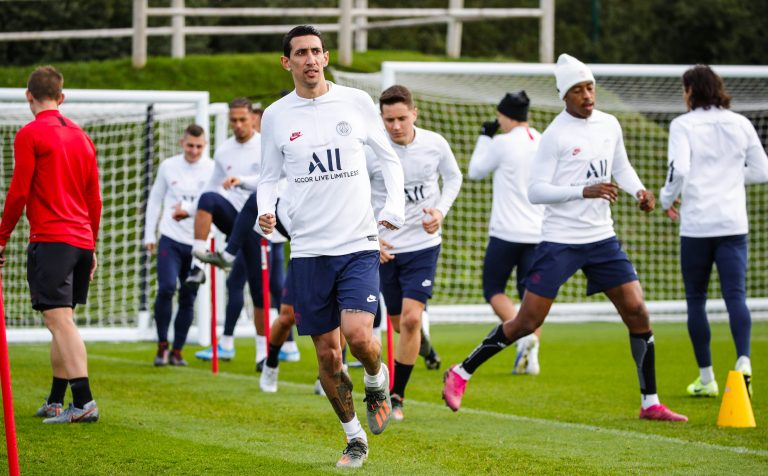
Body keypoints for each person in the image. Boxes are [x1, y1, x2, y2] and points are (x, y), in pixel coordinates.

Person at [442, 54, 688, 422]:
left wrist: (639, 191)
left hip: (602, 239)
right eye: (578, 90)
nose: (587, 95)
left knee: (638, 311)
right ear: (564, 96)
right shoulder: (554, 135)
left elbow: (621, 166)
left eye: (590, 87)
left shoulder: (609, 124)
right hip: (560, 241)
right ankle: (461, 371)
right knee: (526, 322)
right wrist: (583, 191)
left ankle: (650, 402)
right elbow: (536, 190)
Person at [256, 25, 405, 468]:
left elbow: (389, 158)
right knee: (327, 354)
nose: (310, 59)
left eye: (316, 51)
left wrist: (393, 210)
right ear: (286, 62)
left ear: (325, 57)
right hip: (307, 251)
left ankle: (376, 378)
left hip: (357, 242)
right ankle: (354, 437)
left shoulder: (356, 102)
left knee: (359, 336)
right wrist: (265, 211)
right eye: (301, 53)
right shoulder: (276, 116)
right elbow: (268, 177)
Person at [660, 65, 768, 398]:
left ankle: (706, 378)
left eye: (684, 90)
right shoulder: (741, 123)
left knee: (696, 299)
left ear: (691, 91)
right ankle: (744, 362)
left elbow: (680, 170)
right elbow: (763, 171)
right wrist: (731, 177)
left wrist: (666, 198)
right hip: (733, 223)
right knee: (736, 296)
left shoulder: (683, 125)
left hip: (697, 225)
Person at [0, 66, 101, 423]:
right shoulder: (82, 136)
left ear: (28, 96)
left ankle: (84, 402)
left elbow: (18, 192)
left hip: (53, 240)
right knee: (60, 320)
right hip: (80, 240)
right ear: (62, 97)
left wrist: (1, 237)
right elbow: (94, 198)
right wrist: (91, 245)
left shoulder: (29, 133)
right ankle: (57, 400)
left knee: (59, 322)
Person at [371, 84, 462, 421]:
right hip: (386, 249)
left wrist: (440, 211)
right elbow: (357, 195)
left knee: (411, 319)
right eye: (389, 120)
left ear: (414, 114)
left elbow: (453, 178)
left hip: (424, 245)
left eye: (401, 118)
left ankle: (397, 396)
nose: (395, 126)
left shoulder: (435, 144)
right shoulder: (371, 151)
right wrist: (372, 238)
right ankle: (425, 346)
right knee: (400, 325)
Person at [187, 98, 269, 368]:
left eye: (243, 119)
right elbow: (210, 189)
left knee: (258, 291)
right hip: (233, 218)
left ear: (252, 118)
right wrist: (188, 210)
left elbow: (270, 182)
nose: (238, 125)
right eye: (233, 120)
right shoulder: (223, 151)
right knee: (208, 199)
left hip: (258, 225)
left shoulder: (266, 145)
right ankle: (197, 264)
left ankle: (262, 353)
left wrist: (241, 181)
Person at [467, 91, 545, 375]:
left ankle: (524, 338)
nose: (498, 120)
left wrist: (485, 137)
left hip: (506, 232)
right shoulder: (541, 139)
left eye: (500, 116)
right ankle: (531, 355)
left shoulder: (501, 143)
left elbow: (475, 171)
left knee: (493, 289)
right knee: (531, 297)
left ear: (507, 116)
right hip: (539, 232)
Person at [143, 124, 214, 367]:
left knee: (188, 294)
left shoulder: (212, 168)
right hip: (170, 238)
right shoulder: (168, 166)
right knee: (166, 288)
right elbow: (155, 200)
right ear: (182, 143)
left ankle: (178, 351)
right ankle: (162, 345)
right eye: (190, 145)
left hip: (198, 241)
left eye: (199, 147)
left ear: (205, 146)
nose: (194, 151)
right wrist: (149, 235)